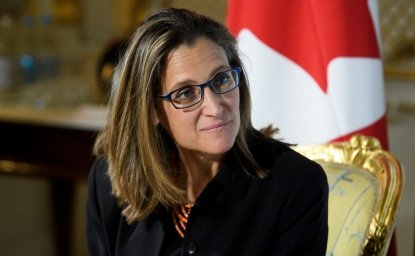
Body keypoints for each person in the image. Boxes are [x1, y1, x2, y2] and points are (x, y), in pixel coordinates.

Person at [86, 8, 328, 256]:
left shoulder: (296, 184)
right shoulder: (111, 180)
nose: (215, 107)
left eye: (221, 80)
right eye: (186, 93)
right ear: (151, 110)